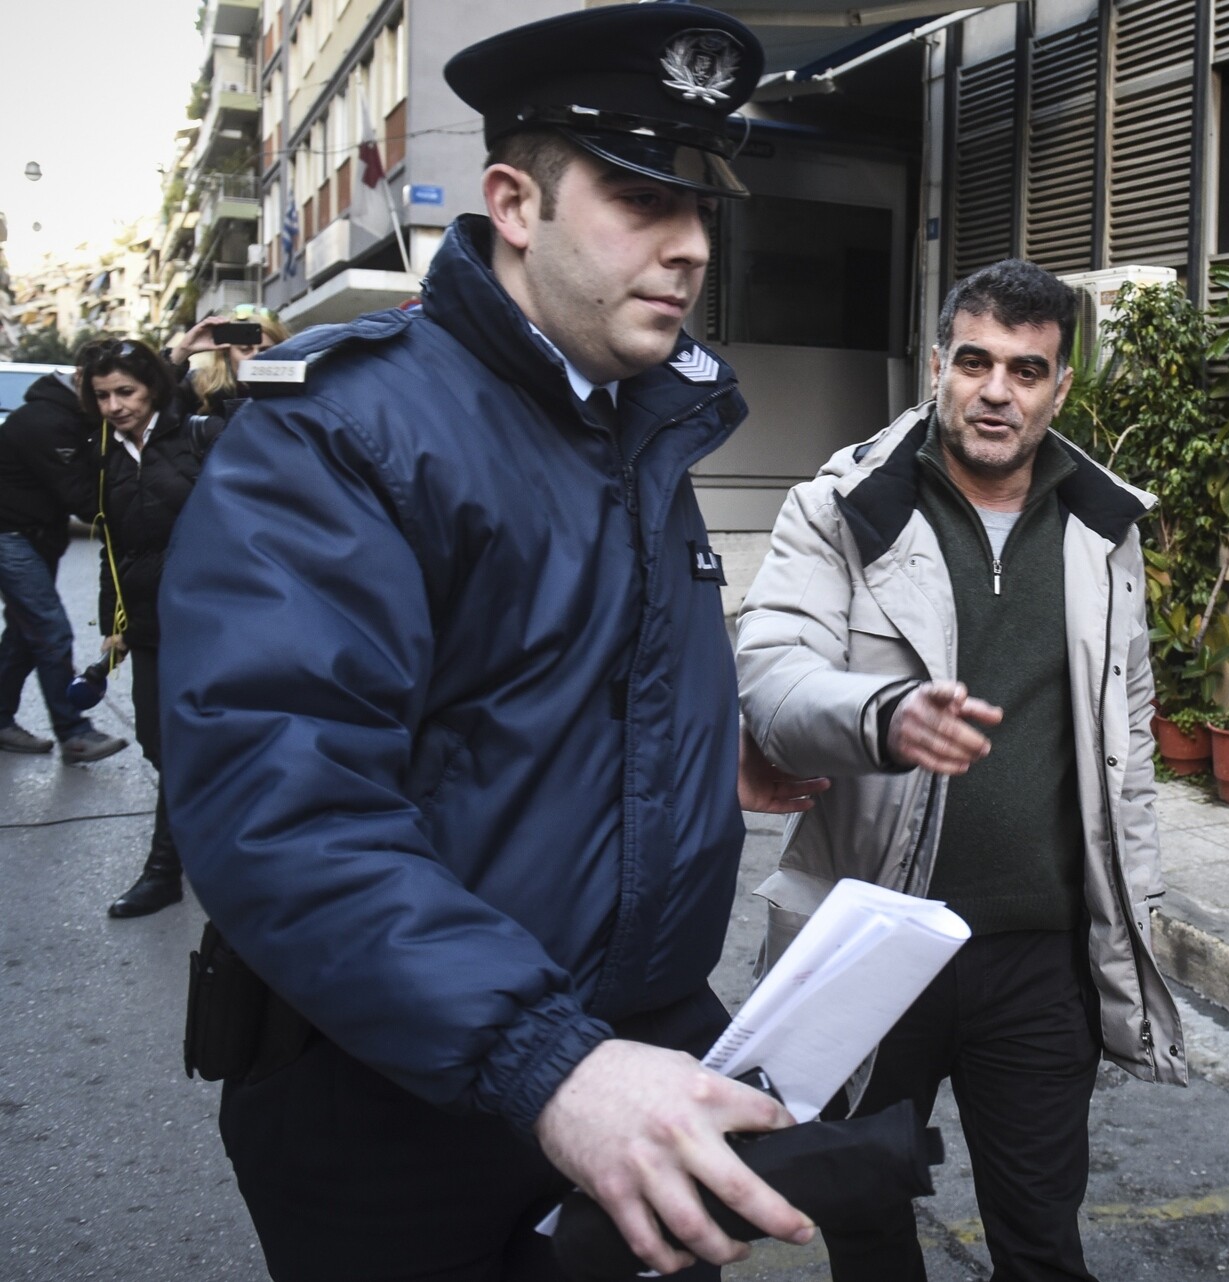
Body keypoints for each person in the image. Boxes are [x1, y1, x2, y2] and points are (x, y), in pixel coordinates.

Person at [155, 8, 821, 1280]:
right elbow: (279, 798)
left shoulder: (643, 419)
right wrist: (543, 1059)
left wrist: (704, 747)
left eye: (702, 209)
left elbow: (541, 685)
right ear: (515, 203)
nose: (691, 244)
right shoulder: (344, 429)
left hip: (631, 1055)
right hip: (404, 1094)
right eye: (642, 198)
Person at [736, 258, 1188, 1282]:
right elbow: (771, 677)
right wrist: (881, 716)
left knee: (1042, 1241)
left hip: (1040, 962)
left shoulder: (1101, 526)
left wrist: (1138, 906)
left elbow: (1127, 740)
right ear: (938, 362)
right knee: (867, 1229)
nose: (997, 391)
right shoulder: (844, 507)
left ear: (1059, 387)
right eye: (976, 362)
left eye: (1027, 371)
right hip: (872, 942)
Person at [78, 339, 215, 918]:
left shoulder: (199, 434)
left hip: (210, 618)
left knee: (186, 742)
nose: (114, 406)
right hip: (147, 621)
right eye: (102, 395)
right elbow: (112, 544)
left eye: (126, 392)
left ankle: (164, 871)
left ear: (153, 389)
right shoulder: (104, 452)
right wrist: (115, 619)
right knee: (158, 742)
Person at [0, 367, 128, 762]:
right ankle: (74, 733)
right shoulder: (46, 423)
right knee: (50, 632)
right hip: (10, 536)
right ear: (82, 384)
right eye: (103, 394)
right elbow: (84, 500)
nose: (114, 404)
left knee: (24, 635)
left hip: (35, 536)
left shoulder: (71, 415)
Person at [165, 304, 293, 420]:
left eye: (266, 350)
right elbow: (156, 403)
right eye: (245, 349)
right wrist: (182, 350)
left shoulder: (296, 393)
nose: (256, 357)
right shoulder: (199, 388)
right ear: (227, 352)